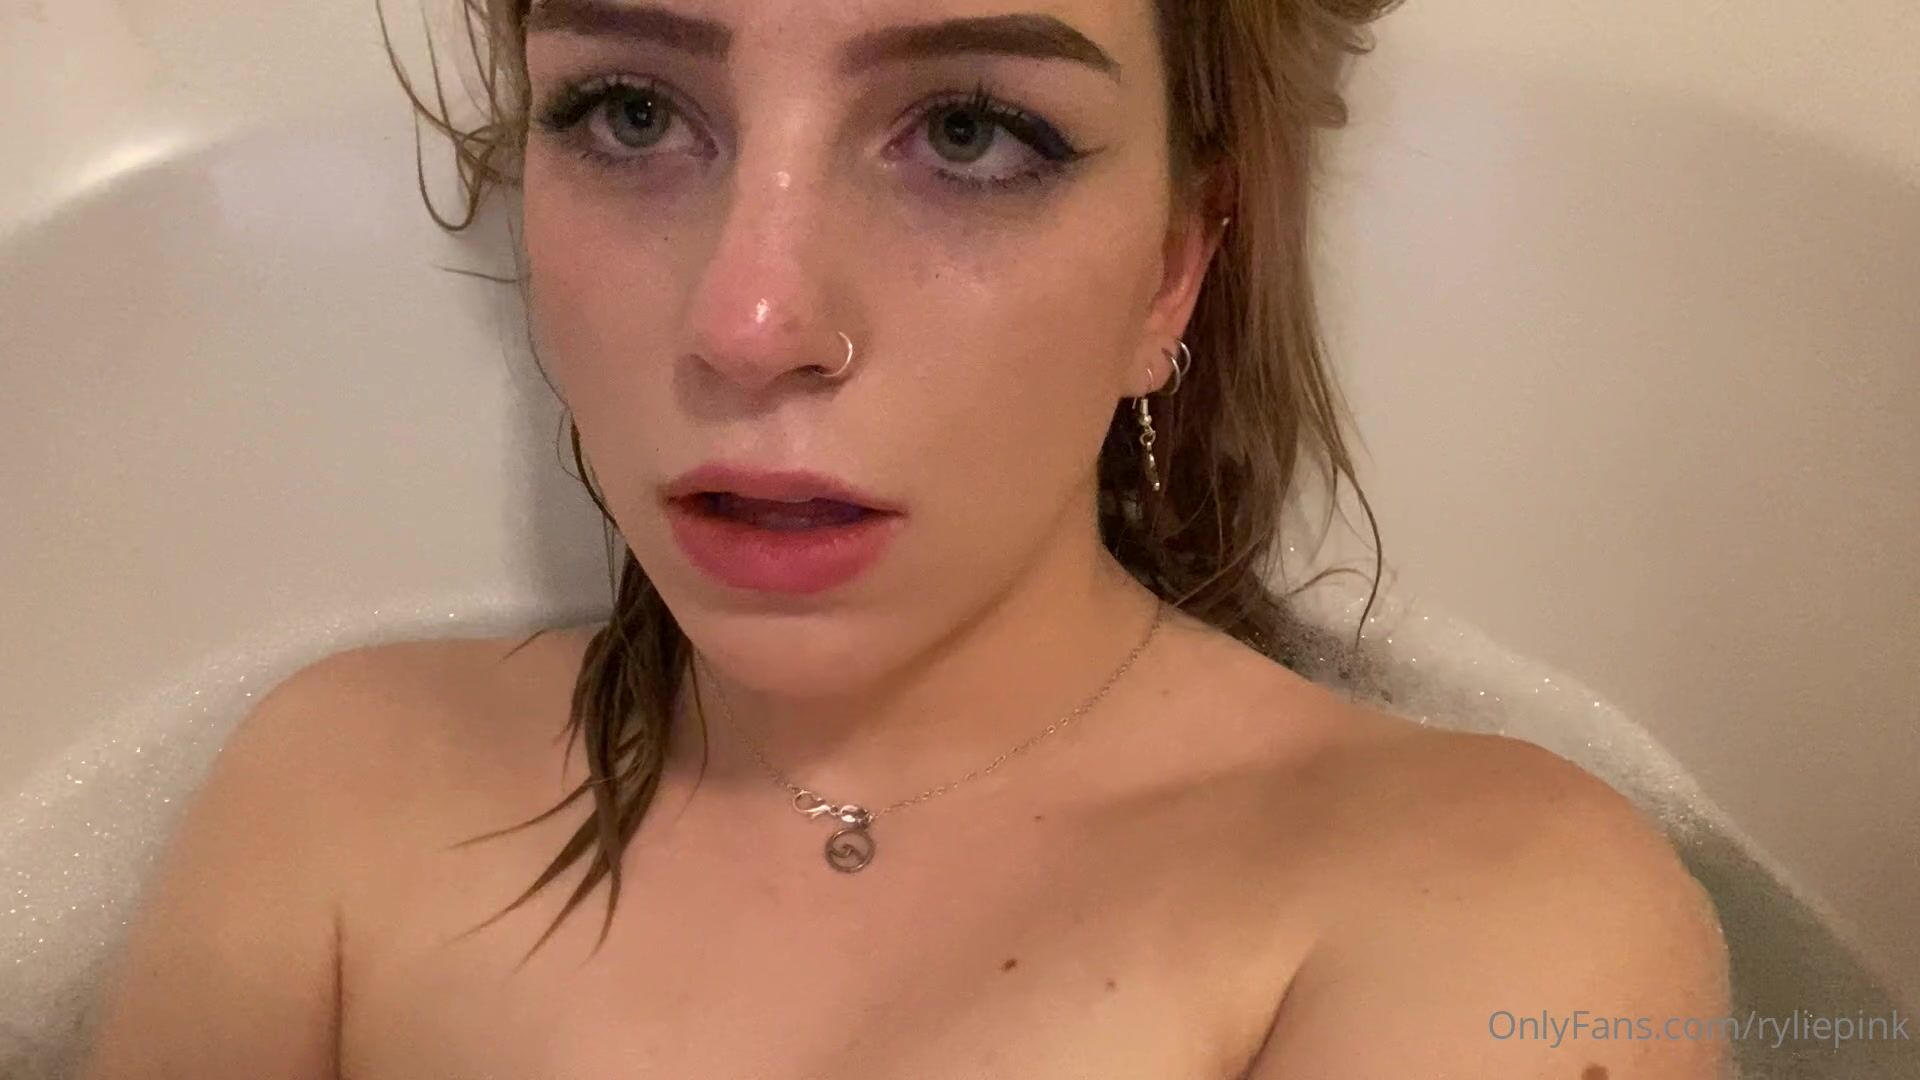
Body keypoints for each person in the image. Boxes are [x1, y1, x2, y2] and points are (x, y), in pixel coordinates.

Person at [80, 1, 1731, 1077]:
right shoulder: (334, 786)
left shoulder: (1488, 904)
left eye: (967, 133)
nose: (750, 324)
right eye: (633, 114)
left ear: (1174, 261)